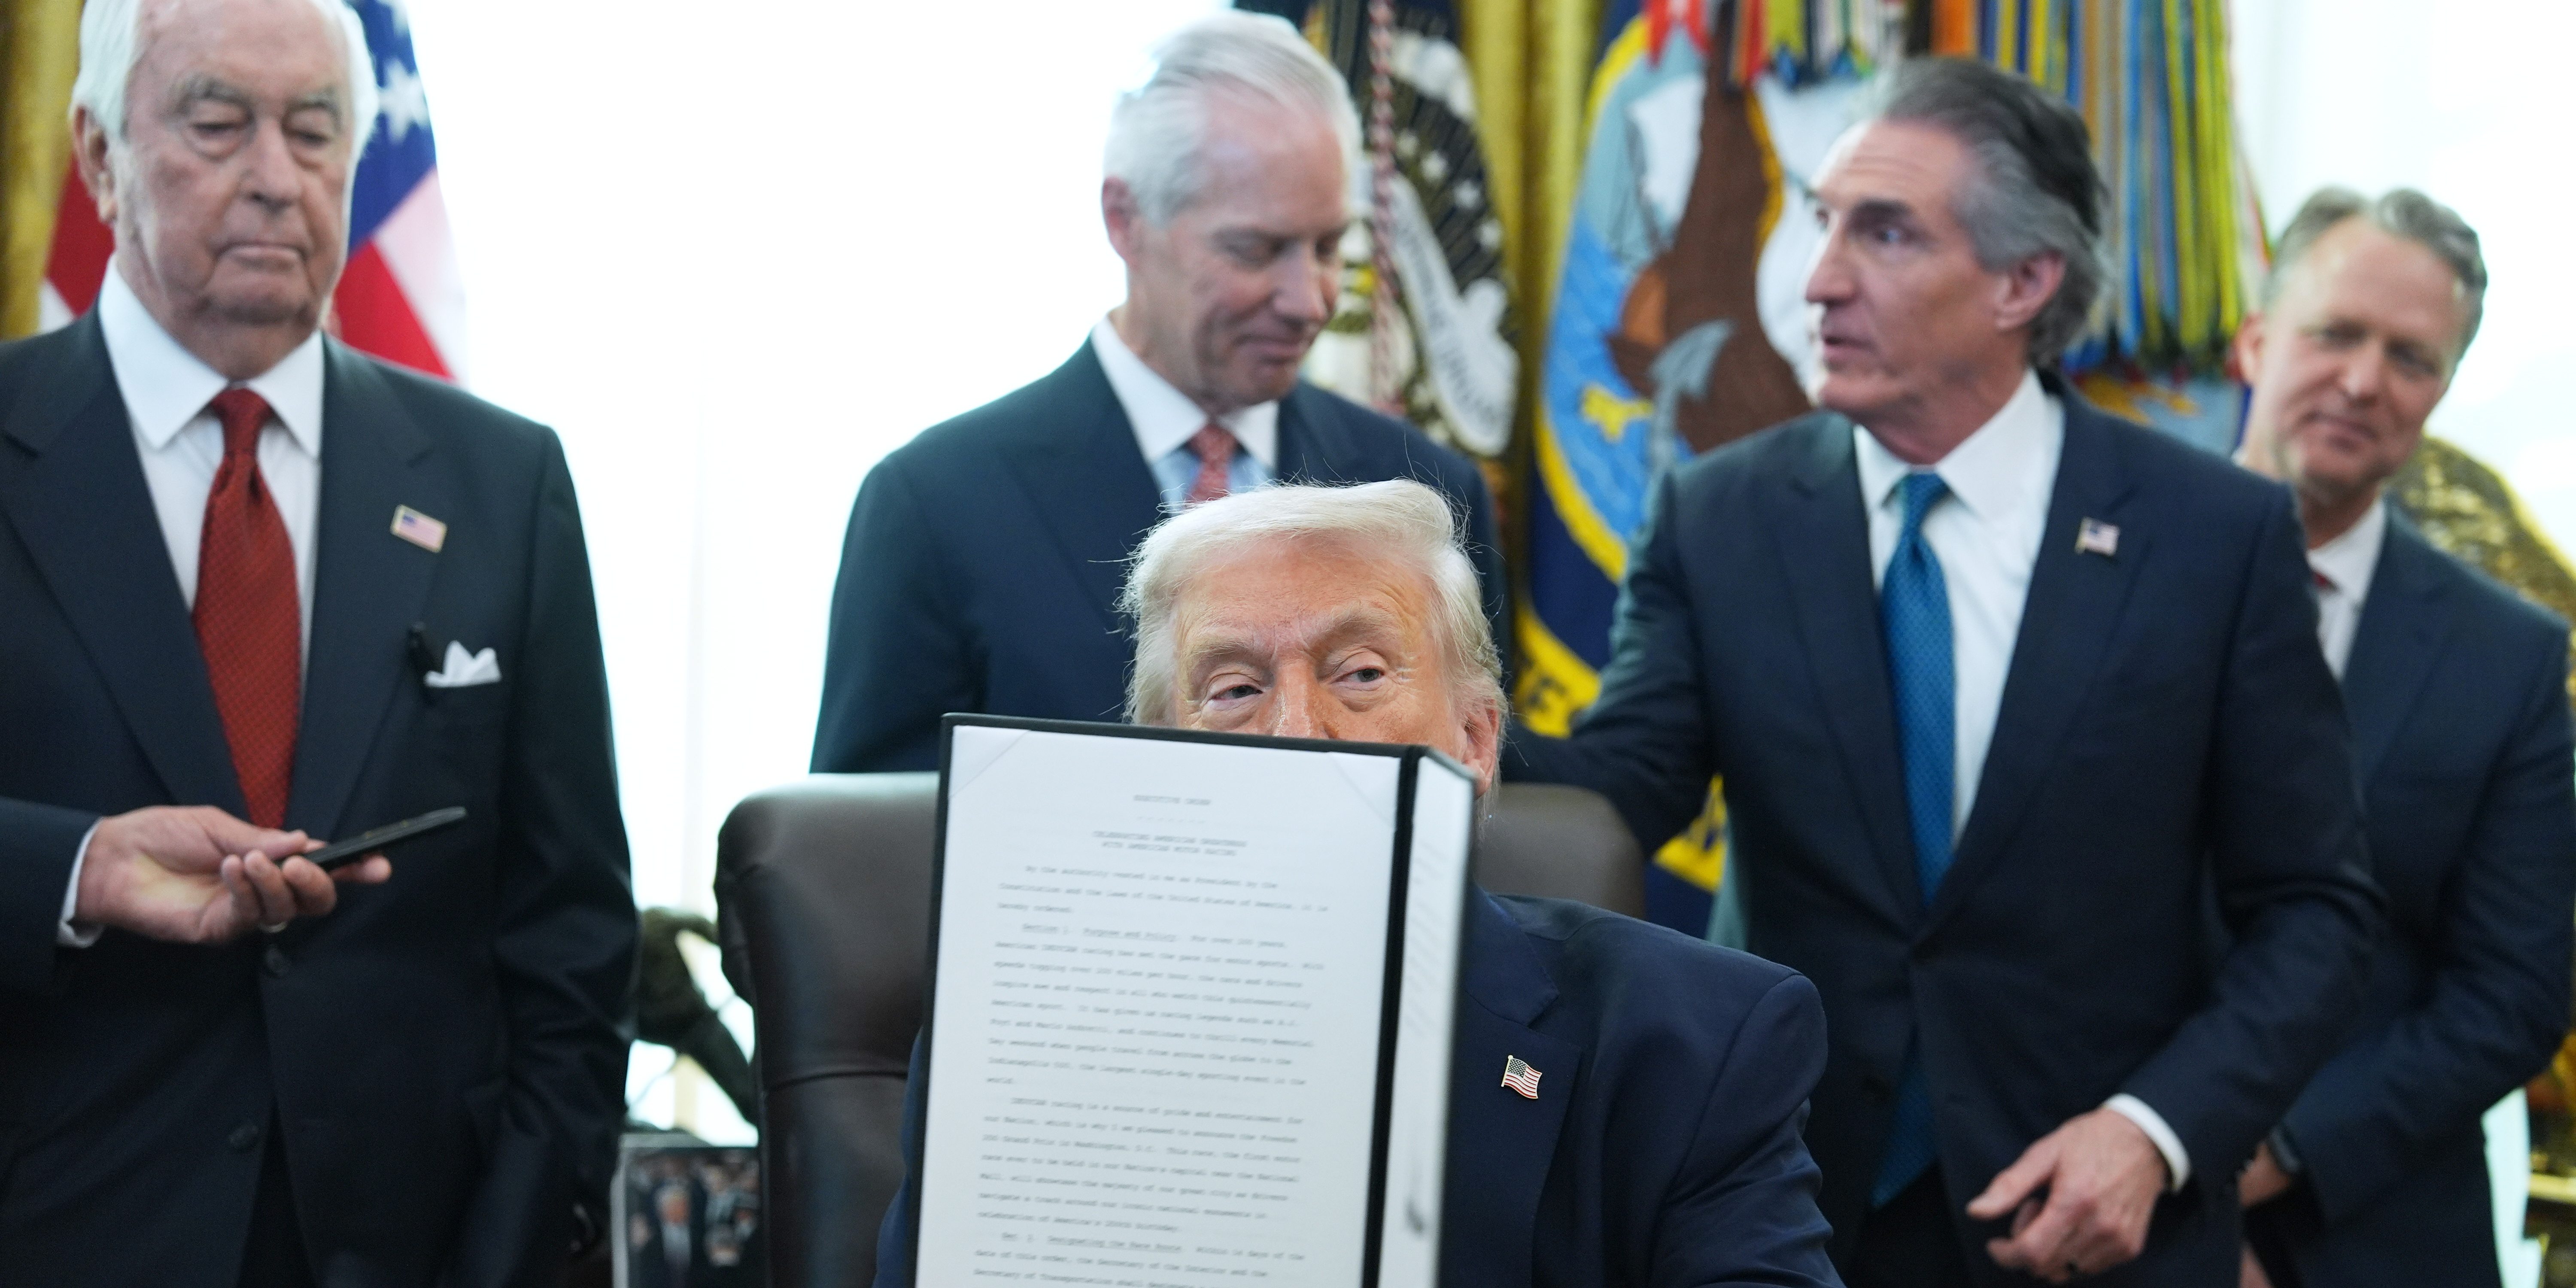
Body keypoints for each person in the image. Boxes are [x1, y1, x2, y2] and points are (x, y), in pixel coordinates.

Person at [1507, 57, 2382, 1285]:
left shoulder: (2212, 537)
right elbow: (1619, 787)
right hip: (1786, 1209)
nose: (1815, 281)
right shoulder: (1721, 515)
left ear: (2025, 282)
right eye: (1821, 223)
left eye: (1886, 234)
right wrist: (1417, 727)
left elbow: (2317, 914)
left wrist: (2155, 1135)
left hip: (2089, 1223)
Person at [0, 0, 637, 1282]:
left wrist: (513, 1243)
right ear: (97, 154)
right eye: (219, 122)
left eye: (315, 129)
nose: (277, 179)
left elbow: (571, 935)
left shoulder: (501, 480)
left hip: (417, 1244)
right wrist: (73, 869)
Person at [871, 480, 1840, 1286]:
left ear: (1476, 742)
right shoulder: (1019, 1053)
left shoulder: (1697, 1043)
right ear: (1162, 762)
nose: (1297, 731)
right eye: (1237, 690)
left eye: (1361, 674)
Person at [811, 11, 1504, 775]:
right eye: (1256, 250)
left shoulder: (1417, 490)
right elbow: (868, 849)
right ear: (1126, 220)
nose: (1310, 299)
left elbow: (1479, 785)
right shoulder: (936, 502)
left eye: (1328, 247)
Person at [2227, 188, 2575, 1288]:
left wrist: (2275, 1156)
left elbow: (2513, 992)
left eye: (2412, 358)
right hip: (2060, 1206)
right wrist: (2151, 1143)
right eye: (2335, 333)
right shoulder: (2084, 568)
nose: (2366, 381)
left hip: (2371, 1230)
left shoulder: (2510, 655)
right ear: (2255, 338)